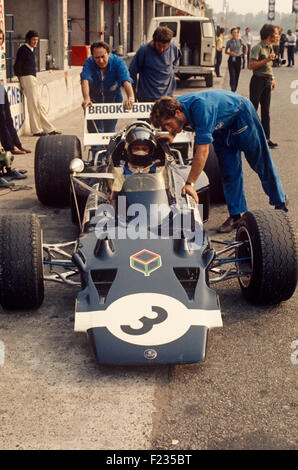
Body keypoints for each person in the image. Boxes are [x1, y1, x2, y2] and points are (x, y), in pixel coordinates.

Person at [150, 91, 288, 233]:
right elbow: (178, 125)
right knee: (229, 171)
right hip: (219, 129)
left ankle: (280, 202)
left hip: (241, 116)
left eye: (167, 125)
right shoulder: (176, 110)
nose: (166, 129)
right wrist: (172, 135)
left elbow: (202, 151)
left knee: (261, 162)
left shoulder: (199, 108)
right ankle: (236, 216)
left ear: (178, 113)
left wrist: (190, 183)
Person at [13, 30, 61, 137]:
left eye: (37, 40)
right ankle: (36, 130)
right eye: (33, 40)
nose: (36, 42)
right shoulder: (23, 49)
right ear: (28, 40)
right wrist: (21, 79)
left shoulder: (31, 50)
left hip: (32, 78)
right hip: (27, 78)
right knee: (33, 105)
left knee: (39, 105)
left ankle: (49, 129)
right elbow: (17, 65)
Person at [81, 40, 134, 133]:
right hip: (94, 102)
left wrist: (130, 98)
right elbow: (85, 80)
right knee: (95, 131)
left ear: (108, 53)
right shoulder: (88, 62)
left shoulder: (118, 62)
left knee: (109, 131)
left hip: (113, 100)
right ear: (92, 56)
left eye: (103, 56)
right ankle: (96, 148)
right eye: (96, 58)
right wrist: (86, 98)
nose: (100, 61)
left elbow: (126, 80)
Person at [0, 29, 29, 187]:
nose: (0, 41)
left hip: (1, 87)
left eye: (1, 39)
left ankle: (12, 150)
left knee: (7, 117)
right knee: (2, 120)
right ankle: (9, 147)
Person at [129, 26, 181, 102]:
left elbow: (174, 64)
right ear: (154, 41)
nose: (161, 49)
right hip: (146, 98)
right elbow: (132, 73)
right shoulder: (144, 51)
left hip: (167, 97)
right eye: (159, 45)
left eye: (164, 46)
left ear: (169, 43)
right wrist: (133, 96)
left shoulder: (174, 49)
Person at [249, 24, 279, 149]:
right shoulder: (258, 48)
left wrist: (272, 78)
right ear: (269, 35)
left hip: (267, 81)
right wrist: (266, 60)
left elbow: (269, 66)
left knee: (266, 111)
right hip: (258, 81)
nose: (278, 36)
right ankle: (250, 137)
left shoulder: (269, 47)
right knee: (252, 110)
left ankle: (266, 139)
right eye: (276, 33)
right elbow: (251, 65)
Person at [225, 27, 248, 92]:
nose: (235, 34)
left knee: (237, 75)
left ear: (238, 33)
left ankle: (234, 89)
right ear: (231, 33)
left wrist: (245, 55)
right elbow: (225, 51)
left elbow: (246, 47)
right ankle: (232, 89)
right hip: (231, 59)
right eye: (233, 32)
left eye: (236, 32)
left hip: (238, 59)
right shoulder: (229, 42)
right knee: (232, 75)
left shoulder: (240, 40)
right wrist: (230, 53)